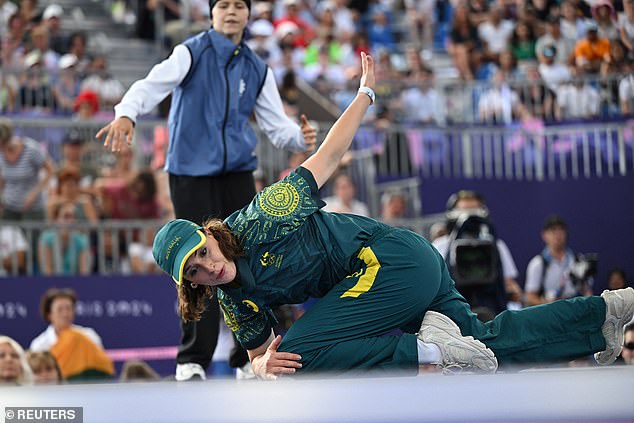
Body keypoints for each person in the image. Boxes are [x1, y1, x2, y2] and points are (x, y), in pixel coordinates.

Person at [152, 52, 634, 379]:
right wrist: (257, 368)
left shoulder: (259, 218)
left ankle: (433, 354)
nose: (208, 267)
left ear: (209, 234)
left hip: (388, 261)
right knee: (489, 349)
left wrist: (365, 94)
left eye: (203, 253)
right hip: (402, 272)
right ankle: (605, 316)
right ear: (190, 284)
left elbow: (325, 159)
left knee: (304, 354)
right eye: (194, 272)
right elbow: (262, 359)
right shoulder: (232, 299)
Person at [96, 0, 317, 381]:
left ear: (248, 14)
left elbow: (276, 125)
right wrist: (127, 112)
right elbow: (150, 85)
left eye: (239, 5)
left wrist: (300, 135)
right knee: (193, 265)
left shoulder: (257, 67)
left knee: (243, 263)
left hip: (236, 173)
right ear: (212, 13)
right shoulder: (190, 53)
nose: (231, 11)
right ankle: (191, 360)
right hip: (190, 171)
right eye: (223, 5)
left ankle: (247, 357)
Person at [432, 190, 523, 316]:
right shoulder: (440, 246)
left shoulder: (497, 245)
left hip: (490, 315)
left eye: (474, 210)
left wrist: (513, 292)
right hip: (451, 316)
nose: (469, 216)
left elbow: (508, 282)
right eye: (464, 210)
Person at [29, 287, 114, 380]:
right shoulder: (39, 345)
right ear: (49, 314)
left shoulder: (89, 335)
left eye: (69, 308)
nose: (65, 314)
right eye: (60, 309)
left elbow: (102, 366)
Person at [525, 215, 594, 306]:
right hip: (549, 313)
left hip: (574, 310)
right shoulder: (538, 264)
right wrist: (548, 304)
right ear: (544, 235)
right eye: (553, 230)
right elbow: (530, 297)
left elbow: (587, 292)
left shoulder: (578, 260)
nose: (558, 235)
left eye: (561, 230)